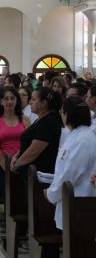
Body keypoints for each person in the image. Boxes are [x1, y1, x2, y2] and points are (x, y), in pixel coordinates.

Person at [46, 96, 96, 230]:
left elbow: (71, 174)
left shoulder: (83, 139)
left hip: (80, 201)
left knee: (77, 246)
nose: (61, 115)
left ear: (68, 114)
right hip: (71, 201)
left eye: (62, 112)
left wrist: (52, 193)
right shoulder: (74, 135)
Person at [11, 87, 63, 175]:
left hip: (38, 173)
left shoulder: (49, 122)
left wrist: (17, 164)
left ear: (44, 103)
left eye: (34, 99)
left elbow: (34, 150)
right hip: (29, 172)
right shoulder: (40, 119)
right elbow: (28, 142)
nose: (30, 102)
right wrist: (16, 156)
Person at [0, 87, 30, 195]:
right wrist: (6, 167)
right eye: (6, 99)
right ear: (1, 102)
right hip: (3, 161)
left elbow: (29, 143)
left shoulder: (25, 119)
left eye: (12, 98)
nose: (9, 101)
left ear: (17, 101)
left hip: (22, 160)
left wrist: (19, 161)